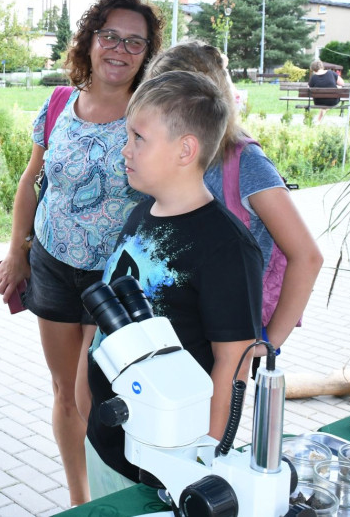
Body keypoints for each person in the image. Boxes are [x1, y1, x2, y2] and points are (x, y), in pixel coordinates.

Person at [0, 0, 163, 506]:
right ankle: (80, 499)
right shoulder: (58, 104)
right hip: (52, 262)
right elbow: (30, 181)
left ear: (147, 54)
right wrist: (19, 250)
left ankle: (112, 494)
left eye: (135, 42)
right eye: (110, 35)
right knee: (66, 392)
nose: (120, 49)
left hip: (114, 278)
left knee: (96, 394)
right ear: (90, 40)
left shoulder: (152, 113)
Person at [87, 70, 262, 491]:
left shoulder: (226, 248)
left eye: (138, 138)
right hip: (109, 444)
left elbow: (233, 365)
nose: (124, 150)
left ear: (186, 149)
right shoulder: (139, 214)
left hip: (167, 465)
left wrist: (203, 465)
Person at [145, 42, 322, 359]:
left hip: (226, 343)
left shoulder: (245, 162)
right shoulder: (166, 155)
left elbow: (307, 256)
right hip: (174, 333)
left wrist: (269, 341)